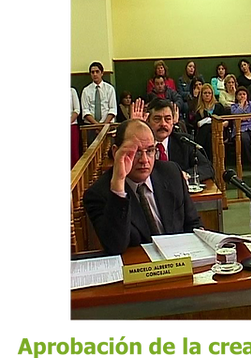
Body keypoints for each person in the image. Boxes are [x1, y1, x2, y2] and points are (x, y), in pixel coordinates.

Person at [83, 119, 203, 254]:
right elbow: (115, 246)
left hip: (179, 258)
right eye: (136, 152)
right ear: (116, 152)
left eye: (150, 151)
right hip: (138, 265)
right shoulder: (98, 194)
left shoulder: (171, 173)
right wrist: (118, 186)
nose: (144, 160)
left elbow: (193, 223)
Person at [144, 98, 214, 182]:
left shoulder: (184, 142)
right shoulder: (141, 145)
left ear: (173, 121)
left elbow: (207, 168)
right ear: (148, 121)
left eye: (167, 119)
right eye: (157, 119)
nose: (163, 124)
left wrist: (185, 175)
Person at [194, 83, 227, 159]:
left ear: (212, 94)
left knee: (207, 127)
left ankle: (200, 150)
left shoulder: (218, 106)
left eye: (209, 93)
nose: (207, 95)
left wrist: (221, 124)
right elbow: (197, 124)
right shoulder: (199, 110)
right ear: (201, 95)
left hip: (219, 132)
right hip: (207, 135)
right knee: (209, 136)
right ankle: (211, 160)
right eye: (205, 93)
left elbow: (226, 120)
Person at [231, 86, 251, 171]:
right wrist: (241, 106)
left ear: (247, 96)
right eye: (240, 94)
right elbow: (235, 115)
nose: (242, 96)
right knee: (244, 139)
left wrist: (242, 118)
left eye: (244, 94)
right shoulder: (234, 106)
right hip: (240, 128)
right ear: (236, 97)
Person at [68, 86, 81, 169]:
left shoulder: (71, 91)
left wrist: (70, 121)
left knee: (73, 152)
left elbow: (77, 109)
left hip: (72, 125)